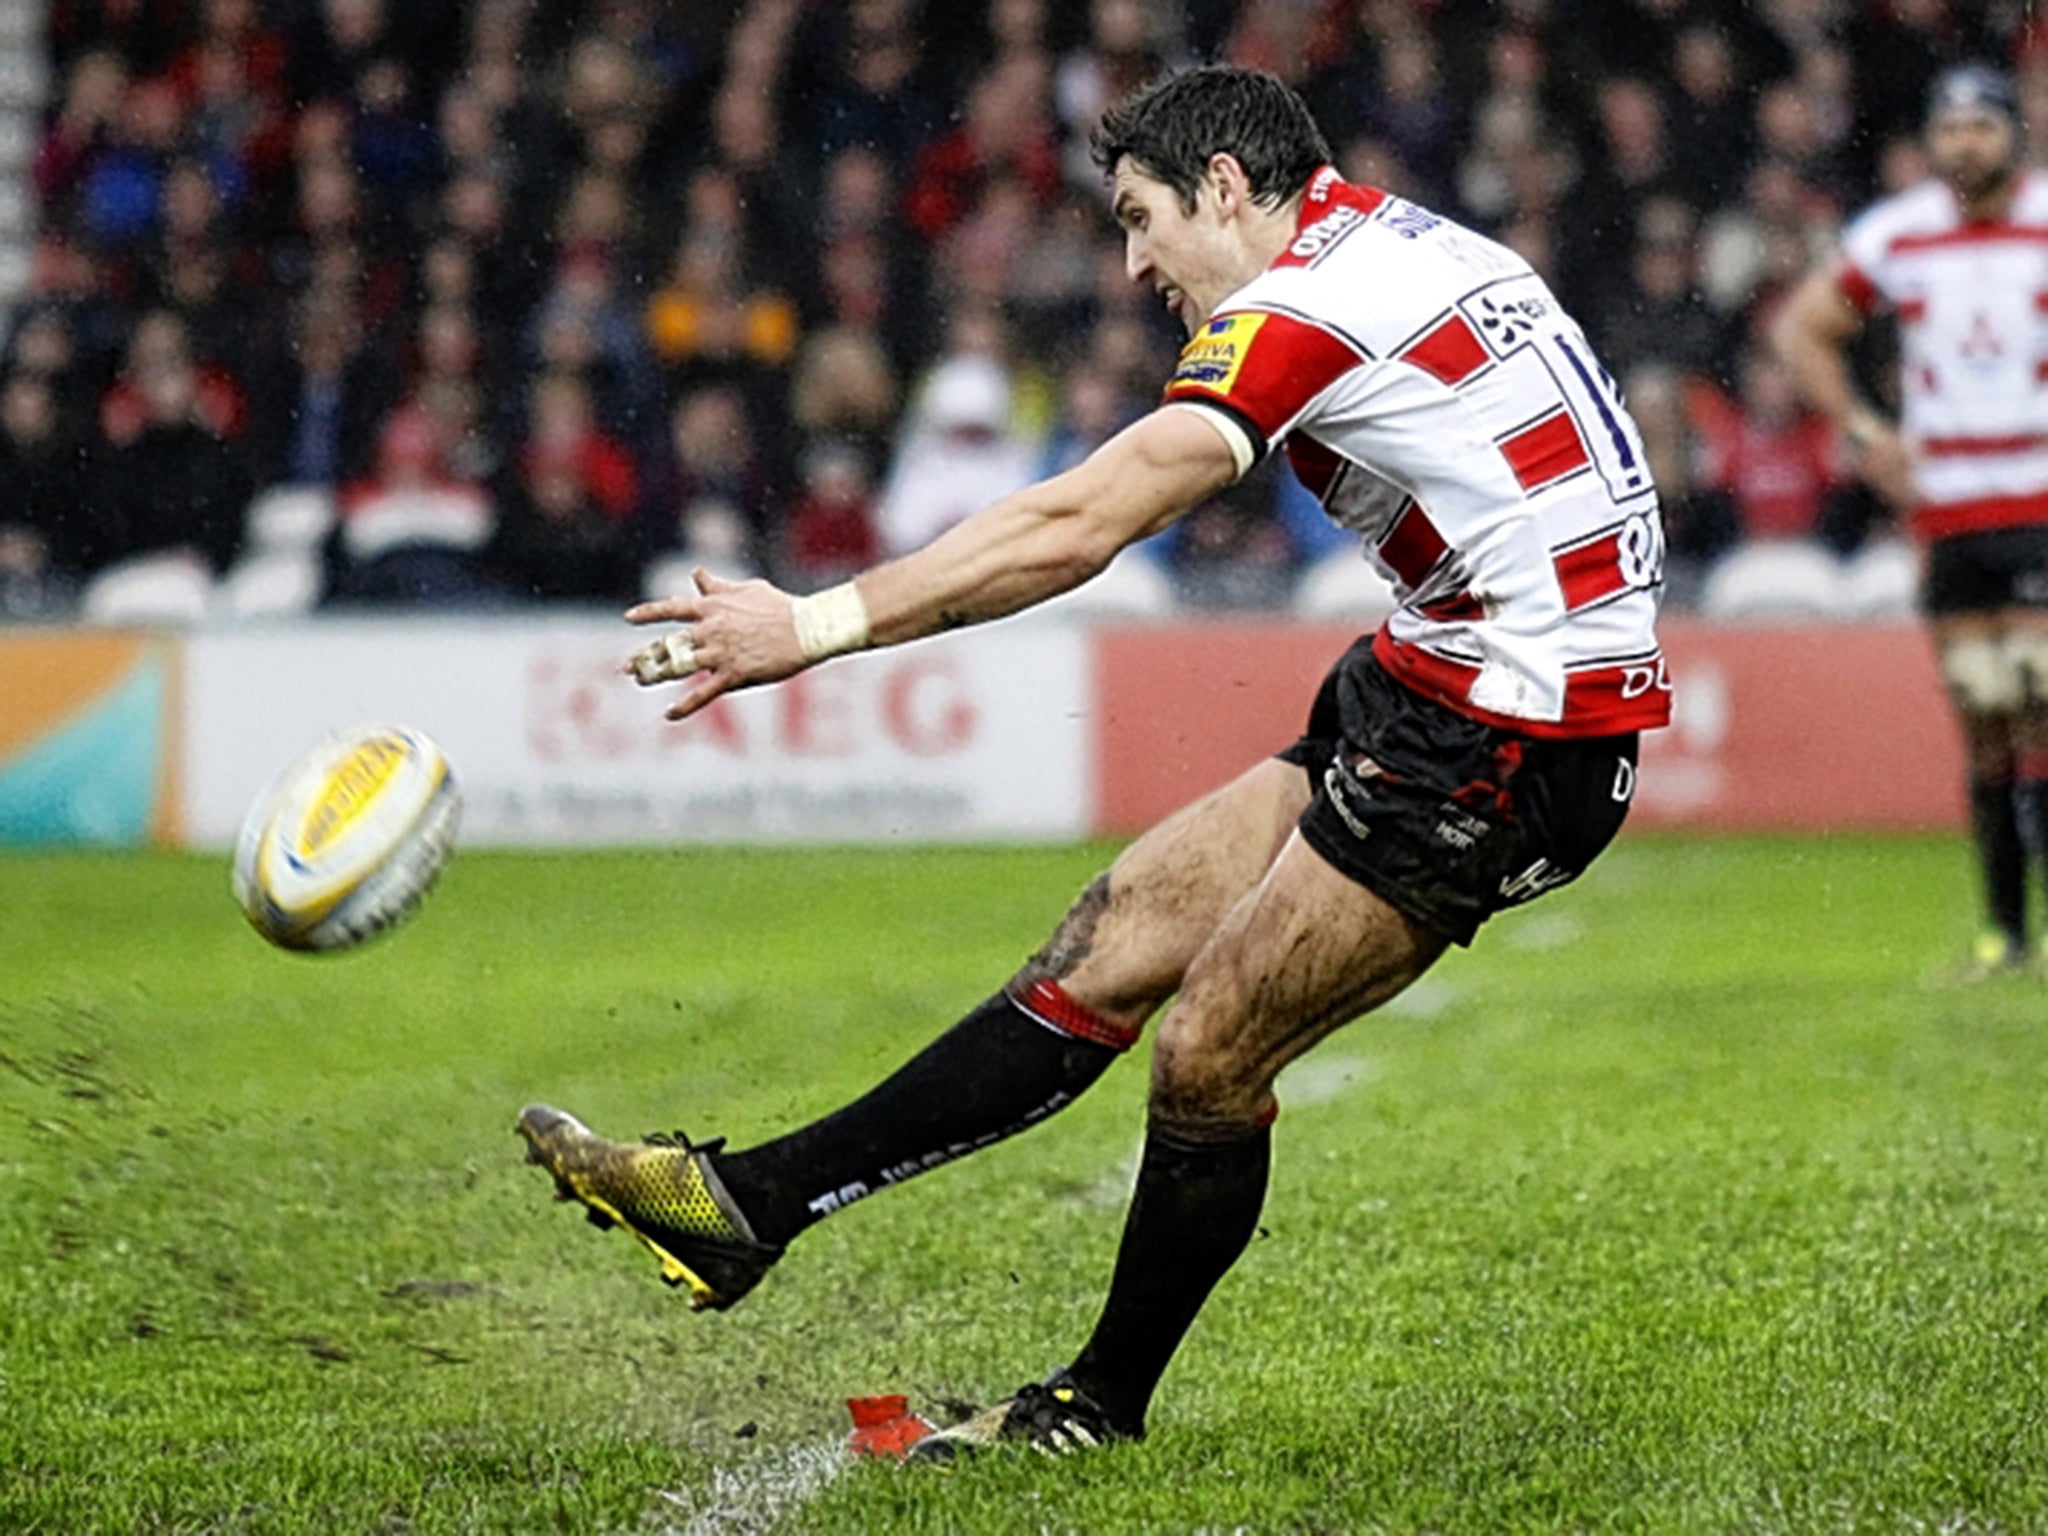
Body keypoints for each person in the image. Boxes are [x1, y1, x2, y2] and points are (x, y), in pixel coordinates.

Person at [518, 65, 1670, 1457]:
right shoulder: (1395, 244)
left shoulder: (1307, 304)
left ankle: (1095, 1408)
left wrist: (814, 622)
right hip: (1437, 670)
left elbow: (1085, 518)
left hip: (1517, 731)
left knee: (1206, 1053)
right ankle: (740, 1206)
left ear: (1229, 189)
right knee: (1111, 943)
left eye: (1141, 219)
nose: (1133, 264)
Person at [1774, 63, 2048, 977]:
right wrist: (1861, 430)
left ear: (2014, 132)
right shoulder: (1900, 234)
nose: (1967, 142)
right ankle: (2006, 935)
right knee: (1986, 707)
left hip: (2038, 500)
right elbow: (1802, 329)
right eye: (1952, 127)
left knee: (2041, 696)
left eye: (1983, 125)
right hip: (1952, 510)